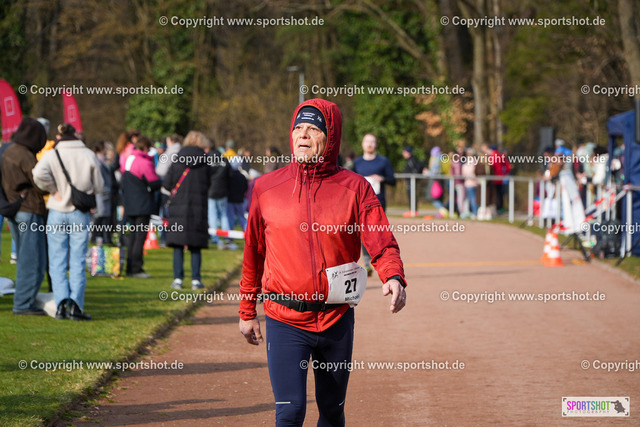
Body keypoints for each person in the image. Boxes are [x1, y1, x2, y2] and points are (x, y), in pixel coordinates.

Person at [239, 99, 407, 426]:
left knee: (331, 411)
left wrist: (393, 276)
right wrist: (247, 311)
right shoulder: (266, 188)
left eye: (313, 129)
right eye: (297, 128)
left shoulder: (356, 188)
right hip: (285, 318)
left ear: (330, 138)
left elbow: (382, 241)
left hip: (336, 318)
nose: (302, 135)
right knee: (290, 412)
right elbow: (253, 253)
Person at [33, 123, 104, 320]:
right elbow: (99, 186)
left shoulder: (53, 153)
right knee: (77, 260)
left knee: (57, 260)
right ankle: (76, 305)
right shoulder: (88, 154)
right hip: (79, 211)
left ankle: (61, 303)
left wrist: (53, 189)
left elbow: (37, 174)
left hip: (57, 209)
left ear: (59, 135)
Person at [1, 118, 48, 315]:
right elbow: (41, 183)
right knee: (33, 259)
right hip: (29, 210)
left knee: (24, 258)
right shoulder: (26, 156)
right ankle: (23, 304)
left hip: (15, 209)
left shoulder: (8, 151)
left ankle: (24, 300)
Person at [162, 131, 211, 290]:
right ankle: (196, 279)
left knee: (178, 245)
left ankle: (178, 279)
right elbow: (209, 183)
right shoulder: (205, 162)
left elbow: (167, 184)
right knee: (195, 245)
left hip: (178, 206)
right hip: (198, 207)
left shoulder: (177, 159)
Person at [353, 133, 396, 275]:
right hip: (360, 202)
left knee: (377, 232)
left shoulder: (383, 161)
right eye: (367, 141)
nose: (369, 144)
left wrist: (382, 178)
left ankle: (380, 260)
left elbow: (393, 180)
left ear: (376, 144)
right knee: (362, 231)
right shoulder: (357, 163)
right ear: (362, 144)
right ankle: (367, 262)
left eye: (372, 141)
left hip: (378, 202)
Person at [121, 136, 161, 278]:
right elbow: (154, 183)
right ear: (144, 147)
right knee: (140, 237)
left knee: (133, 237)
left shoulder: (128, 159)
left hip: (130, 203)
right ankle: (137, 268)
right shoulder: (144, 162)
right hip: (142, 204)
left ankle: (130, 267)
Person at [207, 144, 234, 249]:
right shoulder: (225, 161)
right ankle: (227, 237)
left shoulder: (208, 161)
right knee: (224, 215)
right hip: (223, 192)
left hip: (211, 192)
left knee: (212, 215)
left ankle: (214, 237)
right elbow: (231, 175)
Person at [227, 157, 248, 232]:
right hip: (240, 200)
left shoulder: (229, 176)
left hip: (230, 200)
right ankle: (246, 231)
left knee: (230, 217)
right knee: (241, 217)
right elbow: (245, 188)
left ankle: (230, 234)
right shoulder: (242, 177)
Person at [401, 146, 424, 215]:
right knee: (410, 195)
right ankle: (412, 210)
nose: (403, 154)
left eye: (404, 152)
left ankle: (413, 211)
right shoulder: (409, 160)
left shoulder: (411, 160)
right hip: (410, 181)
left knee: (412, 195)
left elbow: (415, 170)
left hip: (412, 181)